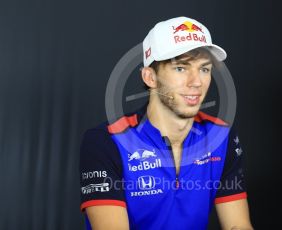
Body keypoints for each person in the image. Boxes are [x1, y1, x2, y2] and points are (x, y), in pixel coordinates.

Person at [80, 16, 253, 230]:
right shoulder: (107, 141)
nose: (196, 82)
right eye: (181, 68)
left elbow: (237, 226)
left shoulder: (221, 136)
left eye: (204, 69)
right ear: (150, 77)